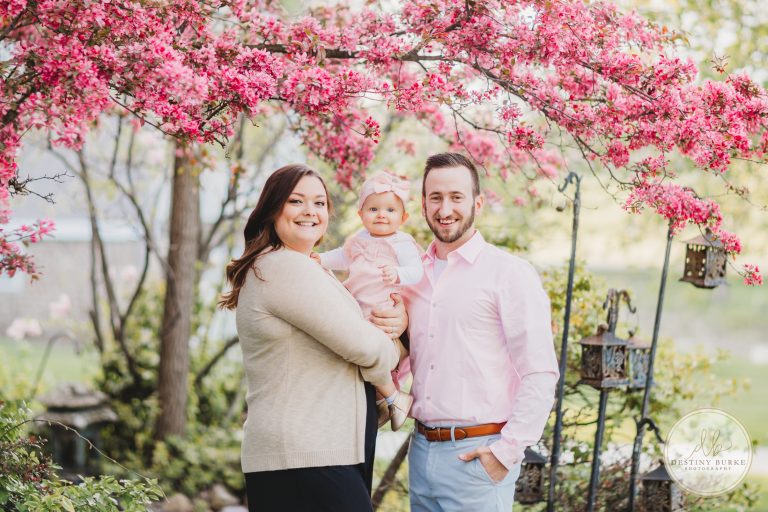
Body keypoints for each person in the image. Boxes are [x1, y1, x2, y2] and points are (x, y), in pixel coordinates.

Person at [219, 164, 407, 512]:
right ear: (273, 209)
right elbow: (365, 346)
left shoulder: (305, 267)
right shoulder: (283, 267)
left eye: (319, 203)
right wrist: (401, 341)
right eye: (296, 201)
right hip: (304, 456)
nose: (310, 211)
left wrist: (397, 322)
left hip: (315, 453)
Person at [400, 153, 560, 511]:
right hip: (421, 451)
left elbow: (540, 372)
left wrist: (505, 452)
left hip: (478, 457)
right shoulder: (413, 276)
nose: (445, 209)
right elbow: (403, 356)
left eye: (456, 197)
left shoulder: (509, 273)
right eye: (435, 197)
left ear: (478, 203)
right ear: (423, 204)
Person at [315, 172, 422, 431]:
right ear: (361, 214)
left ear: (403, 217)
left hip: (383, 309)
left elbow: (417, 271)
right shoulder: (358, 240)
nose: (381, 215)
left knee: (369, 354)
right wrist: (322, 260)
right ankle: (383, 402)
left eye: (390, 210)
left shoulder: (401, 243)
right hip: (358, 308)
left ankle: (394, 398)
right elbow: (342, 257)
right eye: (373, 209)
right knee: (355, 356)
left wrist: (398, 273)